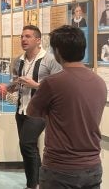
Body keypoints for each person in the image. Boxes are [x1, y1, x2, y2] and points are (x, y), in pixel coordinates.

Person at [27, 25, 106, 188]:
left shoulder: (52, 82)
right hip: (93, 166)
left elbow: (32, 111)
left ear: (57, 52)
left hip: (60, 167)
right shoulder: (100, 82)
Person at [2, 25, 62, 189]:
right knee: (28, 146)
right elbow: (16, 83)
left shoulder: (49, 59)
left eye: (28, 36)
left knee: (27, 144)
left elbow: (58, 87)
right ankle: (37, 182)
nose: (23, 40)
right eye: (22, 36)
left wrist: (35, 85)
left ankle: (33, 184)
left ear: (38, 40)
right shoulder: (18, 60)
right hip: (21, 109)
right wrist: (9, 87)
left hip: (39, 111)